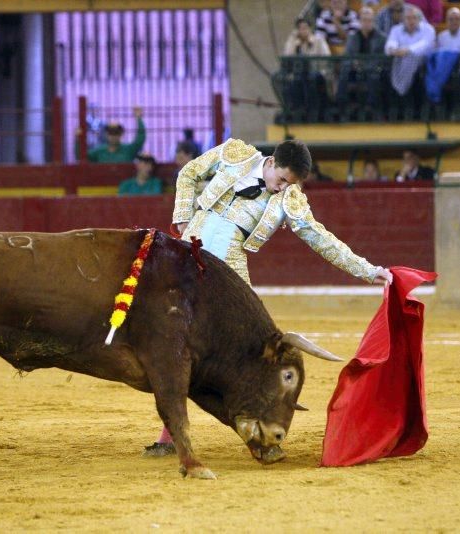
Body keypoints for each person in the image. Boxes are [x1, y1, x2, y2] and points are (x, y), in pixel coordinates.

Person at [145, 138, 393, 456]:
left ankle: (257, 429)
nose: (282, 188)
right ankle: (170, 437)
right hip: (187, 255)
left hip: (229, 276)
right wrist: (182, 214)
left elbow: (321, 239)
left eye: (290, 183)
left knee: (242, 354)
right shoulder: (236, 153)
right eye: (282, 179)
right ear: (272, 162)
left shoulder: (290, 199)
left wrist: (368, 271)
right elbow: (190, 172)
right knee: (168, 340)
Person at [337, 6, 388, 121]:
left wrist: (368, 65)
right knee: (344, 74)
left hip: (374, 70)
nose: (367, 23)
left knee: (373, 75)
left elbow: (383, 58)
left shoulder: (382, 38)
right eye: (364, 20)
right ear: (360, 21)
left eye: (369, 20)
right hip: (355, 69)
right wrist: (353, 63)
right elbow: (347, 56)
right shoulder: (352, 37)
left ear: (373, 21)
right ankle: (343, 109)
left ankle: (371, 108)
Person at [385, 5, 436, 119]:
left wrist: (406, 50)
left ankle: (416, 110)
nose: (411, 21)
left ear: (419, 19)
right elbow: (390, 44)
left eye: (414, 18)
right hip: (402, 64)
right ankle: (400, 108)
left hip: (425, 65)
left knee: (410, 59)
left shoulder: (428, 29)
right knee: (401, 62)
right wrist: (393, 49)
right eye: (408, 18)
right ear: (403, 19)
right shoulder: (396, 29)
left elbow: (423, 45)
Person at [280, 18, 332, 122]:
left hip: (318, 74)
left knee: (311, 79)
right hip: (300, 75)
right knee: (294, 81)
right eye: (300, 28)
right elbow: (286, 57)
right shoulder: (295, 43)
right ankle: (298, 111)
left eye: (305, 28)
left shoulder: (318, 40)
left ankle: (314, 111)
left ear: (310, 29)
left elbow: (327, 59)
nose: (303, 31)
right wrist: (294, 44)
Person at [432, 8, 460, 118]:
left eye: (457, 19)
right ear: (446, 21)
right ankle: (441, 113)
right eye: (450, 19)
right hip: (445, 72)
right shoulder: (441, 36)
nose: (454, 22)